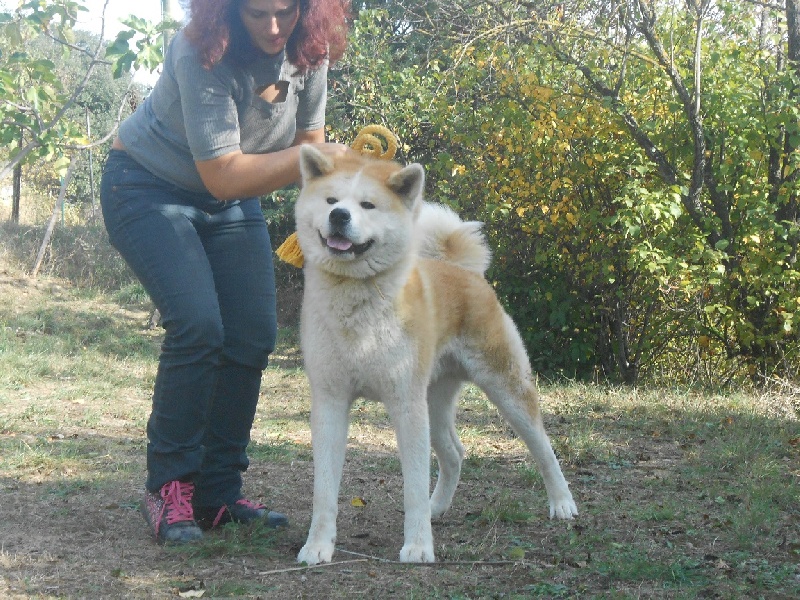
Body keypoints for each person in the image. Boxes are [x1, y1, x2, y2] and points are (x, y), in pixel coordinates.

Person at [100, 0, 351, 545]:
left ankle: (216, 493)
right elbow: (224, 174)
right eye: (257, 14)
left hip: (231, 202)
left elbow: (307, 148)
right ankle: (168, 486)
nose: (274, 27)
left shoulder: (310, 51)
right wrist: (321, 155)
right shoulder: (201, 52)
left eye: (285, 11)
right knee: (198, 325)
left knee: (252, 334)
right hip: (145, 186)